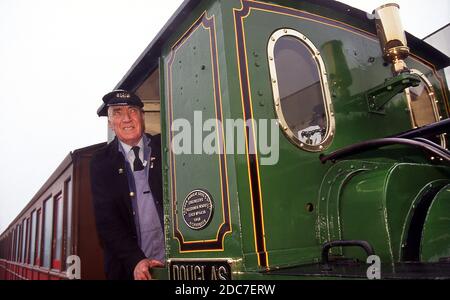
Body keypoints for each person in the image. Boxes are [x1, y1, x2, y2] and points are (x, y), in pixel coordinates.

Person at [90, 89, 165, 280]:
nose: (126, 119)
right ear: (110, 123)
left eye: (132, 111)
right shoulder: (101, 163)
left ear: (142, 116)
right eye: (117, 113)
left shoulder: (167, 146)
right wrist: (136, 260)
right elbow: (107, 223)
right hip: (129, 270)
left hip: (174, 266)